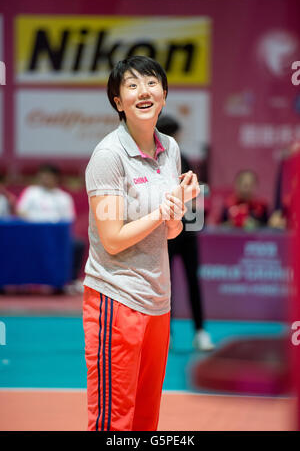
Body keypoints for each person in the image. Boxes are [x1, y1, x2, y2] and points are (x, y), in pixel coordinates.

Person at [83, 55, 200, 431]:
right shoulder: (108, 156)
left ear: (164, 94)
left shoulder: (170, 149)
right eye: (131, 86)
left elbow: (171, 232)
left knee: (147, 419)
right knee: (114, 421)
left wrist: (178, 208)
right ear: (118, 101)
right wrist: (159, 213)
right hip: (115, 299)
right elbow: (112, 240)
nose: (143, 91)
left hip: (158, 300)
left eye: (151, 83)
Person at [156, 115, 214, 351]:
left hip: (187, 227)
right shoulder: (153, 161)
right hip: (164, 228)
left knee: (193, 281)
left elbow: (193, 193)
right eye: (177, 134)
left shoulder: (184, 158)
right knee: (164, 285)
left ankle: (200, 332)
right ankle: (164, 334)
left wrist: (190, 209)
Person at [16, 163, 85, 292]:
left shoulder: (64, 197)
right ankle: (20, 282)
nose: (45, 178)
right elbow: (21, 212)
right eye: (43, 175)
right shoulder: (31, 193)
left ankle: (70, 281)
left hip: (55, 238)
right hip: (32, 236)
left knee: (78, 244)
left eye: (48, 176)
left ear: (56, 178)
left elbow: (68, 220)